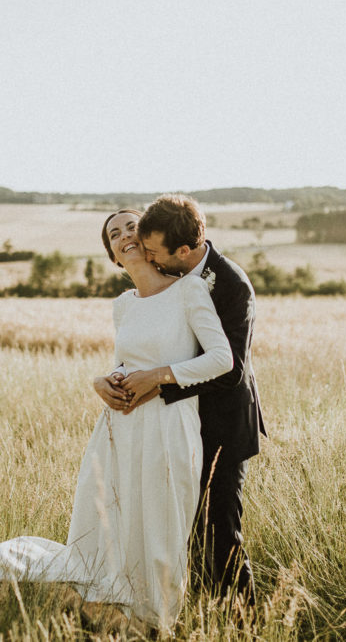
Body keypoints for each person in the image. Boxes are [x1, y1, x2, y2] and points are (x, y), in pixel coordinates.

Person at [0, 209, 232, 633]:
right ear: (111, 254)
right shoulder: (123, 305)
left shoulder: (190, 292)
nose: (125, 234)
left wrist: (159, 376)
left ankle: (156, 623)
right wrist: (102, 381)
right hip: (118, 428)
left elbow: (222, 360)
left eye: (132, 226)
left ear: (149, 237)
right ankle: (103, 614)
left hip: (168, 427)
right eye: (114, 233)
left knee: (161, 535)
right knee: (107, 533)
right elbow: (124, 364)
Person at [101, 194, 266, 606]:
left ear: (185, 250)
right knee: (177, 526)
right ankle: (189, 609)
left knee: (220, 529)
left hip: (224, 425)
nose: (147, 254)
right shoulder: (162, 276)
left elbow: (230, 371)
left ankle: (241, 621)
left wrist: (159, 383)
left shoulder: (230, 285)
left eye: (153, 250)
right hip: (171, 425)